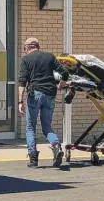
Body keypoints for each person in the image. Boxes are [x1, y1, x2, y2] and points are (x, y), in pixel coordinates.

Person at [18, 37, 70, 168]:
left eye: (25, 49)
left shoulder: (26, 60)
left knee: (30, 127)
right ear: (38, 46)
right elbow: (64, 73)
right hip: (50, 94)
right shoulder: (50, 57)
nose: (25, 52)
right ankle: (56, 145)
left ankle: (33, 159)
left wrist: (20, 101)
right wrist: (61, 84)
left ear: (28, 47)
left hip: (35, 94)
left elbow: (22, 82)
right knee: (47, 127)